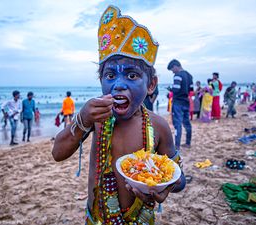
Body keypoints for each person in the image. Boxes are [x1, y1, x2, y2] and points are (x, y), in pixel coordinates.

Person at [51, 6, 185, 224]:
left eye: (132, 75)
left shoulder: (158, 126)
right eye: (110, 74)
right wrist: (83, 119)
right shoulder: (95, 120)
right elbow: (58, 152)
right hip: (98, 219)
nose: (118, 85)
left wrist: (165, 188)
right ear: (100, 80)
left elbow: (178, 178)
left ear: (151, 84)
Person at [167, 59, 193, 149]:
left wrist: (170, 90)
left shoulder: (177, 75)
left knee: (177, 124)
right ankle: (188, 143)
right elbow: (191, 90)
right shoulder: (189, 76)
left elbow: (176, 89)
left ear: (175, 66)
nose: (172, 72)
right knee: (187, 123)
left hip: (178, 102)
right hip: (186, 101)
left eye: (172, 70)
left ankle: (177, 145)